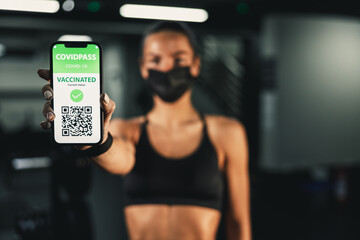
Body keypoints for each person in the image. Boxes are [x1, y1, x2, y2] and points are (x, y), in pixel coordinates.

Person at [39, 21, 252, 240]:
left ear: (196, 64)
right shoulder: (128, 130)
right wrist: (92, 135)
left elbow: (238, 222)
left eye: (178, 59)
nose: (166, 68)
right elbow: (118, 157)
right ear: (143, 67)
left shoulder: (227, 132)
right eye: (155, 60)